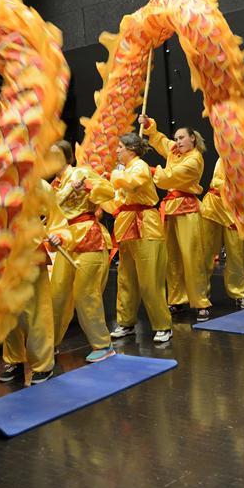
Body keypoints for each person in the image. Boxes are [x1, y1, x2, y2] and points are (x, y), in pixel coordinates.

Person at [48, 141, 116, 363]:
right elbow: (49, 215)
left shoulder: (81, 172)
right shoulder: (53, 186)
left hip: (88, 236)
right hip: (65, 239)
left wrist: (87, 187)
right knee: (57, 294)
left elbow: (109, 190)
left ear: (67, 157)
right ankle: (51, 344)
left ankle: (103, 344)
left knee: (85, 294)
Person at [139, 115, 212, 321]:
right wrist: (148, 125)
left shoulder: (194, 159)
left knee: (192, 257)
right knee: (172, 258)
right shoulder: (176, 151)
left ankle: (200, 302)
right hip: (171, 208)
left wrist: (149, 170)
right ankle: (177, 299)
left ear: (193, 139)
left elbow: (169, 177)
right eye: (176, 138)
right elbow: (160, 140)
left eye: (181, 138)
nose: (177, 141)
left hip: (187, 208)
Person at [0, 180, 71, 384]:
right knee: (7, 311)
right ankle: (14, 360)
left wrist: (58, 236)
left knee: (37, 311)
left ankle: (42, 365)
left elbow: (58, 220)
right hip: (3, 253)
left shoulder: (40, 186)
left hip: (30, 252)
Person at [106, 133, 173, 343]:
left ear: (130, 150)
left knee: (149, 279)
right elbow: (115, 199)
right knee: (126, 277)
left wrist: (113, 176)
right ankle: (126, 322)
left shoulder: (140, 166)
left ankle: (163, 325)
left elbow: (132, 184)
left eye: (119, 147)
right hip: (127, 224)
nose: (116, 150)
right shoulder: (123, 170)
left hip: (146, 224)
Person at [200, 158, 244, 309]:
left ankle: (240, 294)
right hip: (214, 207)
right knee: (206, 252)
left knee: (236, 254)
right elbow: (217, 181)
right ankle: (201, 295)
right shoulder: (223, 158)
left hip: (235, 211)